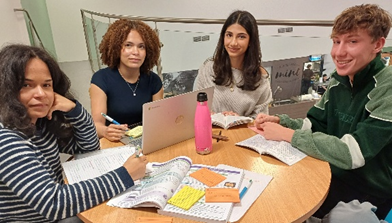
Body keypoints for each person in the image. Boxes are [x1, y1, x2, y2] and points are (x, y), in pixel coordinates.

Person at [255, 4, 392, 220]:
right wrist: (283, 122)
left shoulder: (387, 88)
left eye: (352, 41)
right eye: (337, 41)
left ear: (378, 44)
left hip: (368, 191)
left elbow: (353, 153)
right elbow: (315, 124)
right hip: (330, 172)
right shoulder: (339, 81)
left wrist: (286, 135)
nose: (339, 52)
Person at [0, 44, 148, 222]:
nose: (40, 93)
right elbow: (53, 203)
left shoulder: (41, 124)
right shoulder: (6, 137)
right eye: (26, 85)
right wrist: (126, 175)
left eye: (46, 85)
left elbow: (89, 146)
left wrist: (73, 108)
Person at [90, 19, 163, 142]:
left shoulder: (154, 80)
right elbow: (96, 125)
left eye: (141, 46)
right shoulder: (101, 79)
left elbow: (159, 120)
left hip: (147, 140)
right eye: (128, 45)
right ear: (116, 48)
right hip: (116, 142)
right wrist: (105, 131)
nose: (135, 52)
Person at [194, 10, 272, 118]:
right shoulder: (208, 68)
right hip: (212, 131)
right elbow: (196, 106)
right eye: (229, 35)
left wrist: (239, 120)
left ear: (250, 41)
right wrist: (211, 115)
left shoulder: (261, 79)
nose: (233, 42)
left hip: (243, 134)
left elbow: (260, 122)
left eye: (241, 37)